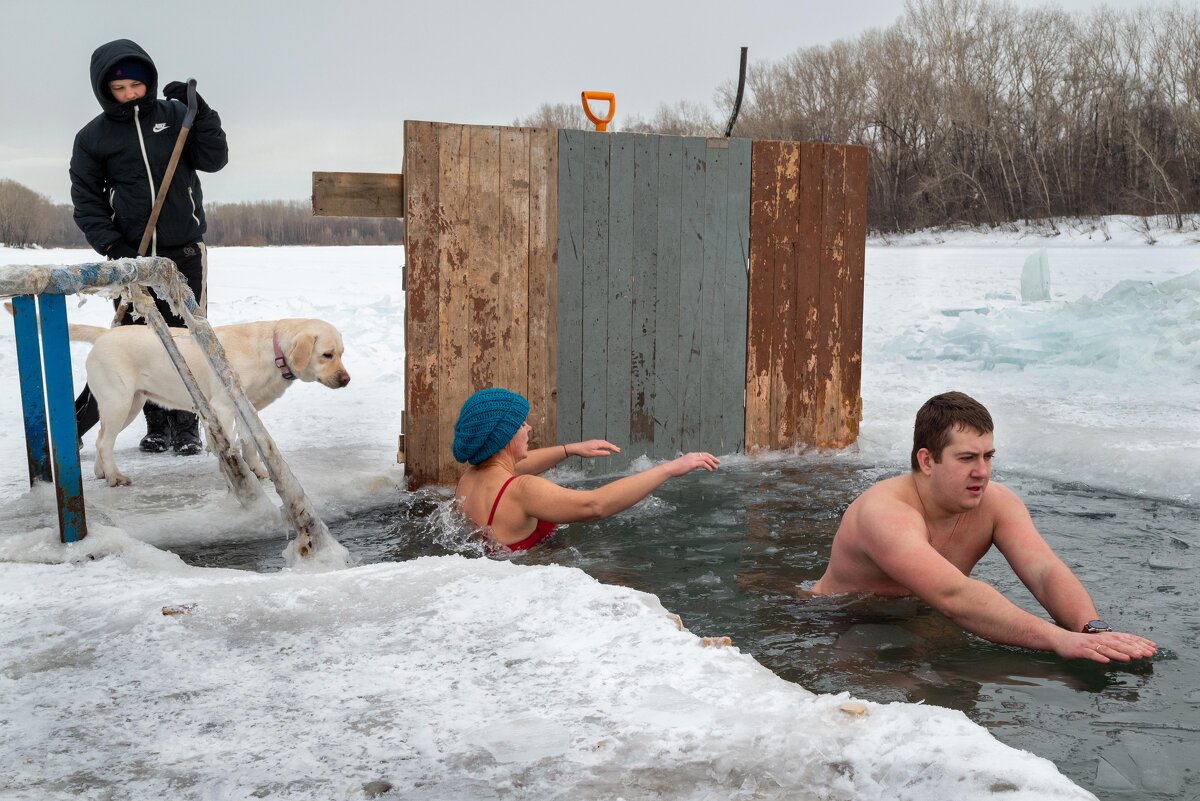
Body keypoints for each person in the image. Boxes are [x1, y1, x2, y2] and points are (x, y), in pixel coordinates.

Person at [812, 391, 1157, 664]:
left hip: (925, 618)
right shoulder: (884, 513)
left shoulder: (996, 503)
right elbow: (953, 594)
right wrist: (1059, 639)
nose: (982, 471)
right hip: (843, 620)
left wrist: (1091, 630)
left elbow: (1043, 570)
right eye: (966, 459)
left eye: (988, 456)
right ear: (927, 460)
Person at [69, 38, 228, 455]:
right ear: (103, 90)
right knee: (137, 340)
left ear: (148, 81)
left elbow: (215, 158)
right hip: (132, 258)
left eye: (134, 87)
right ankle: (155, 425)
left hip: (183, 253)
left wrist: (203, 115)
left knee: (188, 339)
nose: (128, 96)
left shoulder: (177, 116)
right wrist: (116, 249)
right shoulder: (93, 137)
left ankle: (187, 426)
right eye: (118, 90)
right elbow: (87, 200)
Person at [452, 388, 720, 552]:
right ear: (504, 438)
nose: (529, 428)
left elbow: (520, 463)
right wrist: (669, 469)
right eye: (522, 425)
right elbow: (595, 505)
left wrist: (570, 449)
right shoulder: (522, 490)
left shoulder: (470, 478)